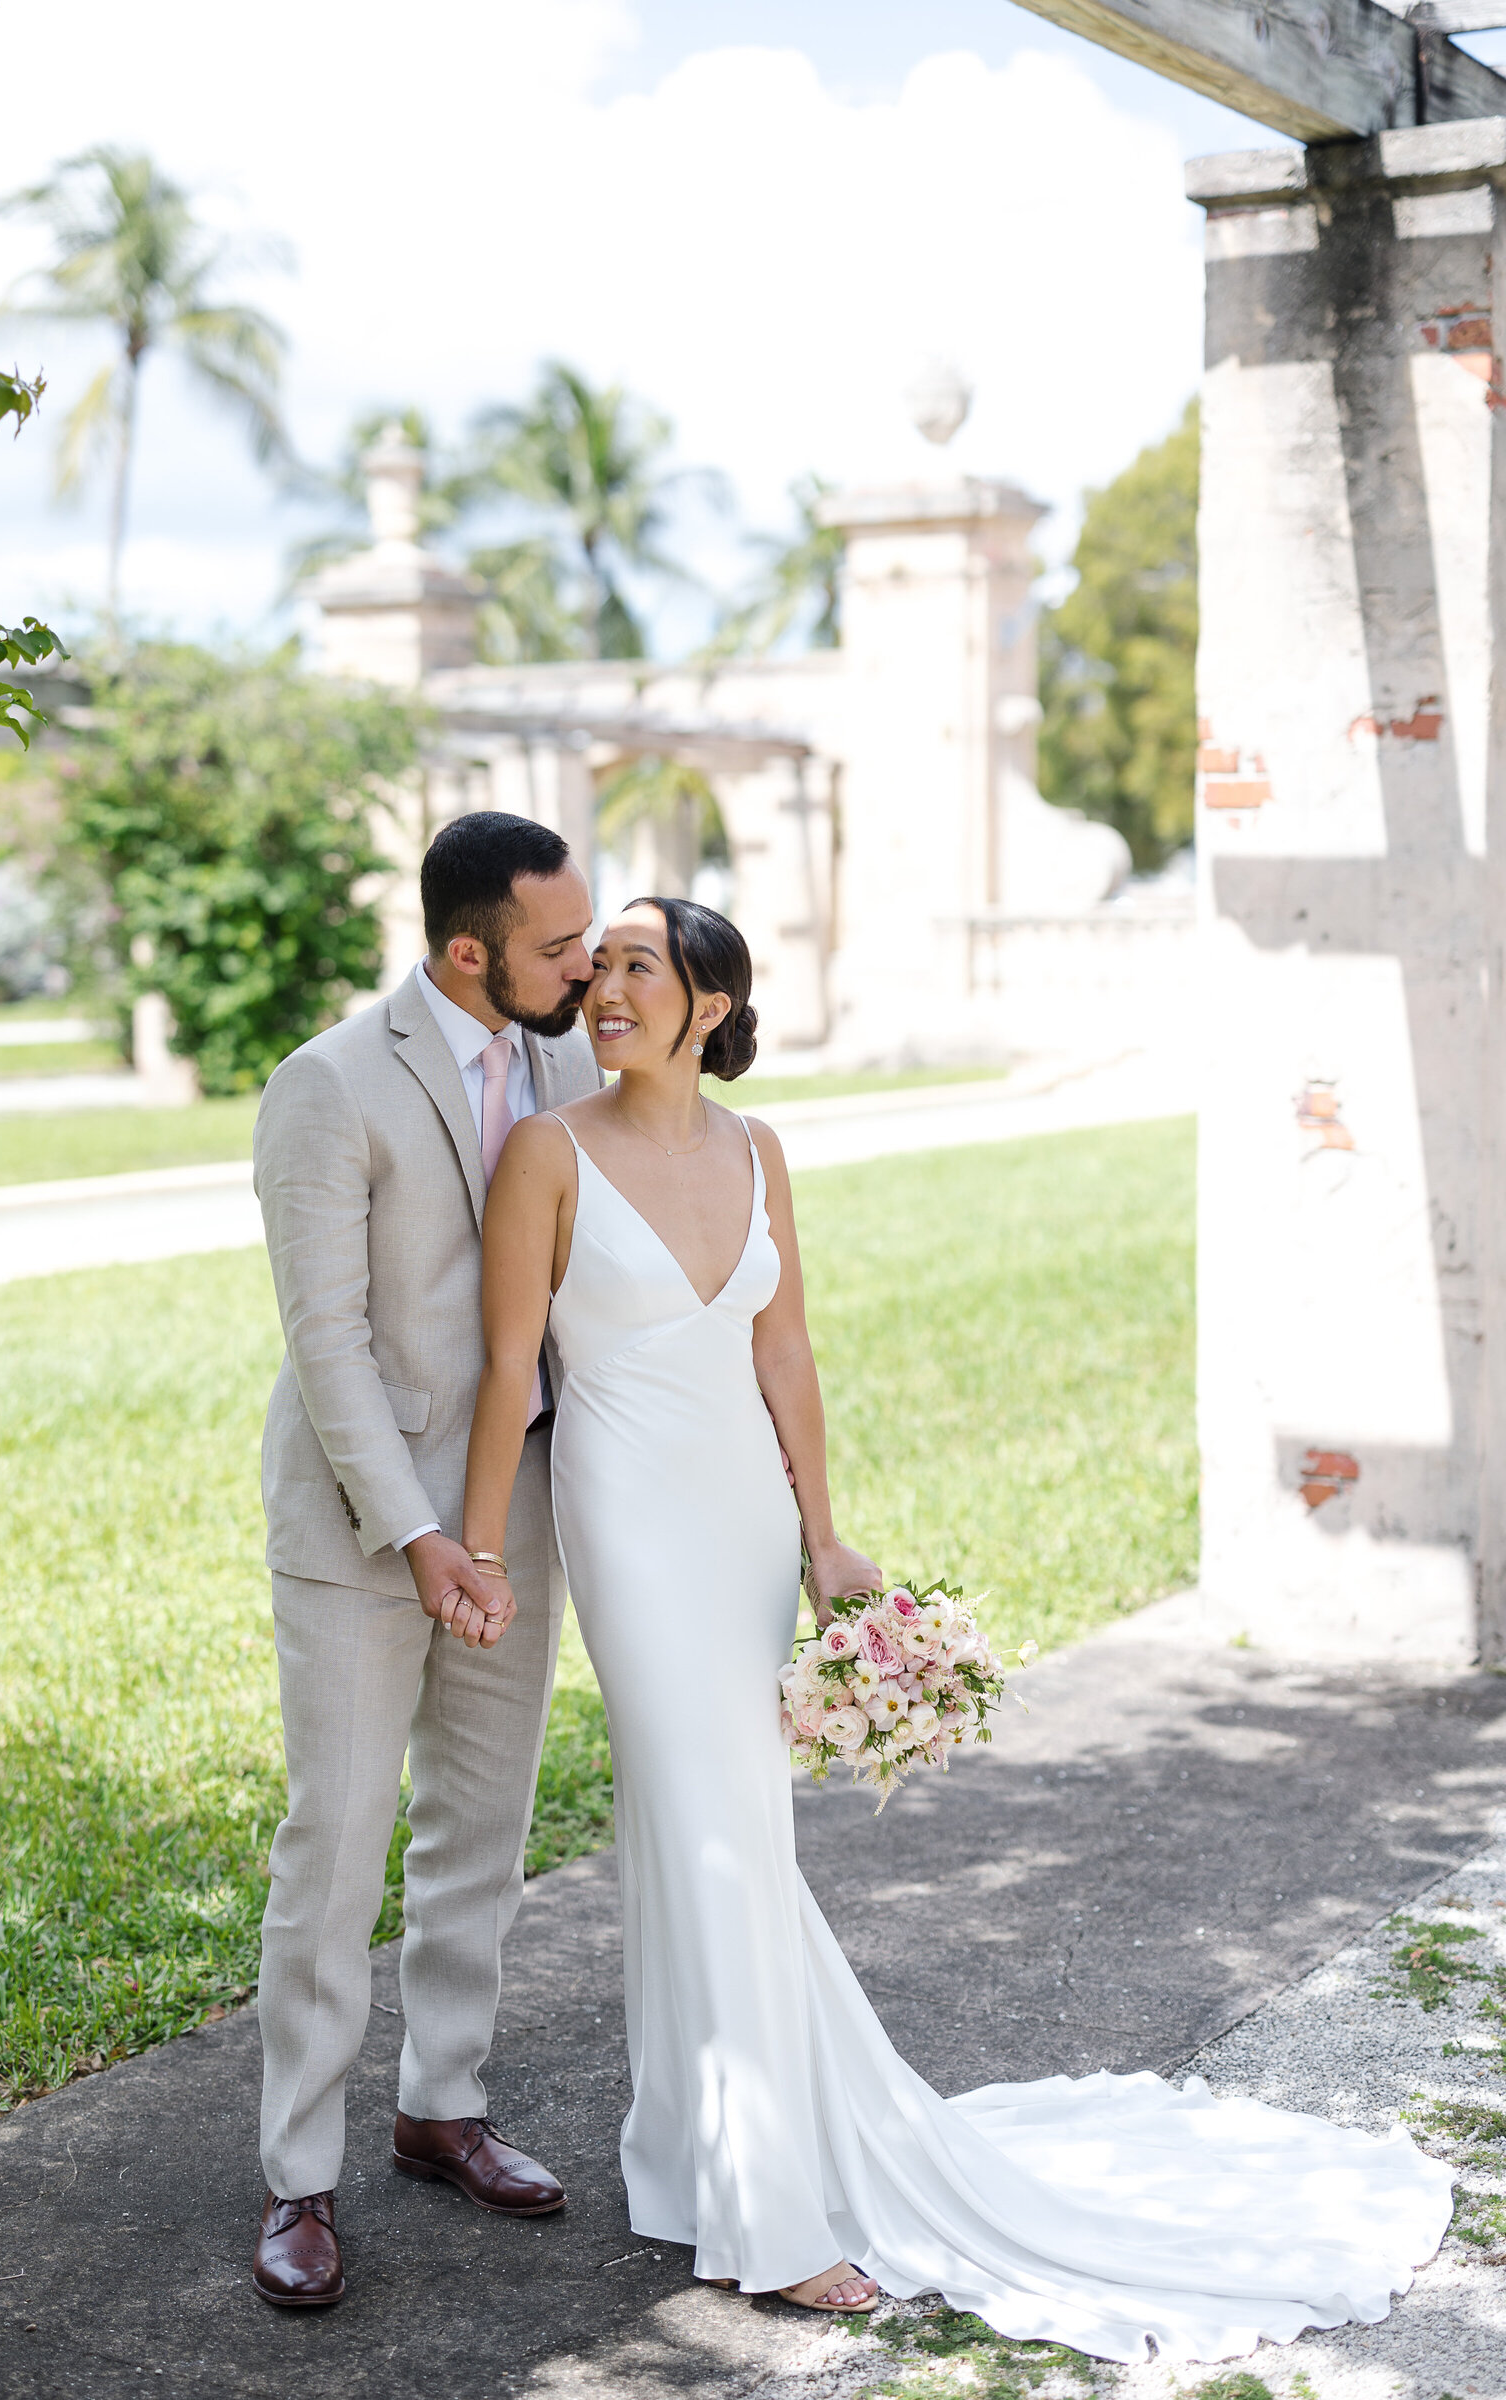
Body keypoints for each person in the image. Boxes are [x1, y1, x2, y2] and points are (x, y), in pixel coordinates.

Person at [460, 892, 1454, 2362]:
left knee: (718, 1834)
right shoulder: (548, 1152)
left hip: (738, 1516)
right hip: (627, 1514)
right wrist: (475, 1548)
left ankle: (685, 2144)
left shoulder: (757, 1149)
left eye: (637, 968)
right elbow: (502, 1369)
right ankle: (774, 2212)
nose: (603, 988)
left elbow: (783, 1346)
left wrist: (822, 1535)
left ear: (712, 1007)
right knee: (714, 1825)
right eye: (596, 966)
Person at [247, 812, 600, 2307]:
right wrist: (421, 1534)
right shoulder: (327, 1085)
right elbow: (326, 1341)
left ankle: (442, 2105)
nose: (588, 969)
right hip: (364, 1526)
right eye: (559, 948)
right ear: (470, 953)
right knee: (334, 1849)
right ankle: (298, 2179)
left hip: (522, 1501)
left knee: (485, 1823)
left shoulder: (573, 1059)